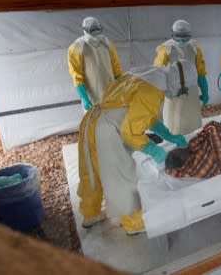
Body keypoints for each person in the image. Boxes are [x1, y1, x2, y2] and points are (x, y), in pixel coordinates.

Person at [77, 61, 196, 234]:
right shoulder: (153, 90)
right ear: (179, 82)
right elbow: (130, 132)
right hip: (108, 131)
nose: (179, 94)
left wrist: (167, 134)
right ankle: (133, 224)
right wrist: (154, 150)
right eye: (182, 90)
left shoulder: (150, 74)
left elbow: (142, 114)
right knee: (121, 175)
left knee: (90, 170)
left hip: (92, 121)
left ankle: (90, 213)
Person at [153, 19, 209, 135]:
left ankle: (193, 143)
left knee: (192, 124)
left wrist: (205, 90)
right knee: (174, 124)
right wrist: (165, 92)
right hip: (174, 92)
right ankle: (175, 145)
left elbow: (201, 71)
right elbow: (158, 73)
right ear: (172, 34)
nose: (182, 40)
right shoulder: (166, 49)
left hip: (192, 91)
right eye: (179, 36)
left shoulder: (194, 48)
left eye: (185, 36)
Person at [68, 16, 124, 110]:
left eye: (97, 30)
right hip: (93, 98)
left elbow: (116, 69)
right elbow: (77, 76)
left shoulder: (107, 44)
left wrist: (122, 86)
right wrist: (84, 98)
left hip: (112, 93)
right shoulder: (77, 48)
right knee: (96, 122)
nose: (95, 35)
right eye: (92, 31)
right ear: (85, 30)